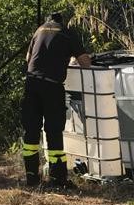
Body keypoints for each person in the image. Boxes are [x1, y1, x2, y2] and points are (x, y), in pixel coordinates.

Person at [22, 12, 91, 188]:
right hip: (52, 87)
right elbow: (85, 62)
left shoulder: (38, 31)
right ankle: (57, 178)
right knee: (53, 131)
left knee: (31, 130)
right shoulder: (67, 33)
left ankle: (31, 177)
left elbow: (28, 58)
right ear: (63, 22)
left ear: (48, 20)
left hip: (31, 84)